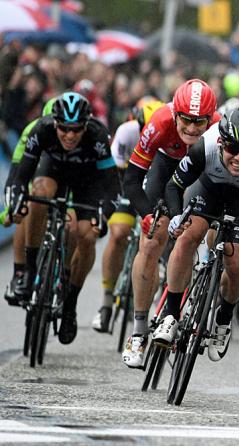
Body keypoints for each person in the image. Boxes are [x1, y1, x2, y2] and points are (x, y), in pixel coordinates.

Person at [159, 106, 239, 360]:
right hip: (209, 190)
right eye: (232, 149)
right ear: (221, 142)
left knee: (237, 264)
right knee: (187, 238)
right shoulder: (204, 147)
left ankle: (224, 318)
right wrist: (177, 215)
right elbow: (174, 185)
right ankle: (171, 316)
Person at [7, 92, 119, 344]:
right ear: (54, 123)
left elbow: (111, 185)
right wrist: (14, 199)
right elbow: (20, 173)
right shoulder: (41, 129)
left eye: (76, 129)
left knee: (85, 234)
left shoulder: (97, 136)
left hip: (85, 180)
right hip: (52, 171)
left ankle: (70, 304)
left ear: (85, 125)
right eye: (64, 129)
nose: (70, 135)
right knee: (38, 194)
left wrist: (104, 215)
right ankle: (31, 269)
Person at [121, 79, 219, 368]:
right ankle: (138, 332)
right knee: (151, 241)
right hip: (165, 168)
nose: (191, 128)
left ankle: (185, 303)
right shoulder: (160, 122)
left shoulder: (218, 130)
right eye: (185, 121)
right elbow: (132, 179)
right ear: (175, 114)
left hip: (201, 175)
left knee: (195, 232)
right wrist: (148, 215)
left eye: (198, 122)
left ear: (210, 119)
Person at [91, 97, 165, 333]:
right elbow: (114, 174)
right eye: (145, 129)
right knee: (119, 233)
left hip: (154, 185)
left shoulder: (168, 134)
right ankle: (106, 302)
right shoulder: (126, 132)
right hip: (126, 182)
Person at [3, 97, 56, 306]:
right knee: (26, 206)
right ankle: (19, 272)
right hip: (38, 170)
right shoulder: (33, 131)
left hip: (67, 173)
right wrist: (12, 207)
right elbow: (16, 173)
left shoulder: (77, 136)